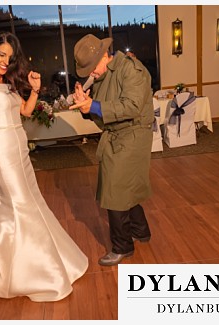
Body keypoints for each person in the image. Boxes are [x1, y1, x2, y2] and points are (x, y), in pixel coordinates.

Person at [0, 32, 88, 301]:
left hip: (20, 149)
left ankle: (40, 265)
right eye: (1, 55)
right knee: (19, 205)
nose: (5, 61)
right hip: (2, 152)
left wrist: (34, 89)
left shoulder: (5, 83)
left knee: (32, 202)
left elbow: (24, 111)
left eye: (10, 58)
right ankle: (28, 273)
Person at [69, 34, 155, 266]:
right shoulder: (102, 76)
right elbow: (103, 116)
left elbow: (132, 106)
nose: (90, 75)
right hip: (117, 136)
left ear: (103, 55)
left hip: (134, 135)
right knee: (125, 187)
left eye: (91, 69)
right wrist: (87, 108)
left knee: (114, 192)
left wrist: (94, 105)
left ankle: (122, 247)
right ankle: (142, 231)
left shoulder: (131, 70)